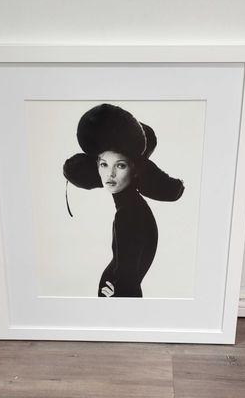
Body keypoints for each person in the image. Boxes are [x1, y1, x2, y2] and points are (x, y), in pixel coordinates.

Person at [63, 104, 184, 298]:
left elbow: (130, 275)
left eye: (120, 165)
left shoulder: (129, 214)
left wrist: (119, 297)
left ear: (135, 169)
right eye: (104, 164)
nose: (110, 174)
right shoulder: (132, 208)